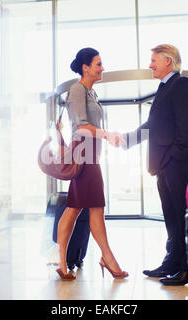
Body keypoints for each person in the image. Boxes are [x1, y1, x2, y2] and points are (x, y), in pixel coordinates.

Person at [123, 44, 188, 286]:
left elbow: (185, 131)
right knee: (171, 217)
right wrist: (125, 140)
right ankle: (172, 263)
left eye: (154, 60)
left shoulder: (181, 85)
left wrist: (173, 157)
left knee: (181, 217)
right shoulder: (165, 88)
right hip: (164, 166)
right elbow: (153, 125)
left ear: (169, 61)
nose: (150, 64)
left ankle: (186, 269)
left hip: (176, 165)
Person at [56, 47, 128, 281]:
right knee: (88, 207)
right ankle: (107, 259)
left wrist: (105, 137)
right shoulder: (77, 90)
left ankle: (67, 263)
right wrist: (108, 134)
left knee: (80, 208)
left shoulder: (90, 93)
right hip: (84, 156)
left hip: (90, 155)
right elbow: (80, 127)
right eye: (98, 64)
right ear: (85, 67)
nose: (102, 68)